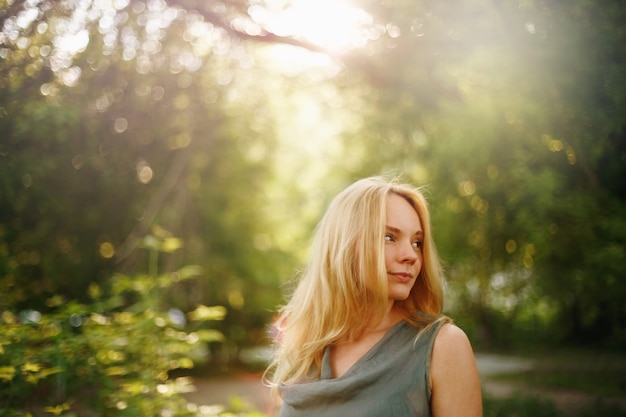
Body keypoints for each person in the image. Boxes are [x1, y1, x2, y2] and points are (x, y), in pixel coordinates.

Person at [265, 176, 482, 416]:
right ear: (345, 245)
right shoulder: (306, 347)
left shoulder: (442, 346)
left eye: (417, 242)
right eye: (389, 237)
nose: (411, 255)